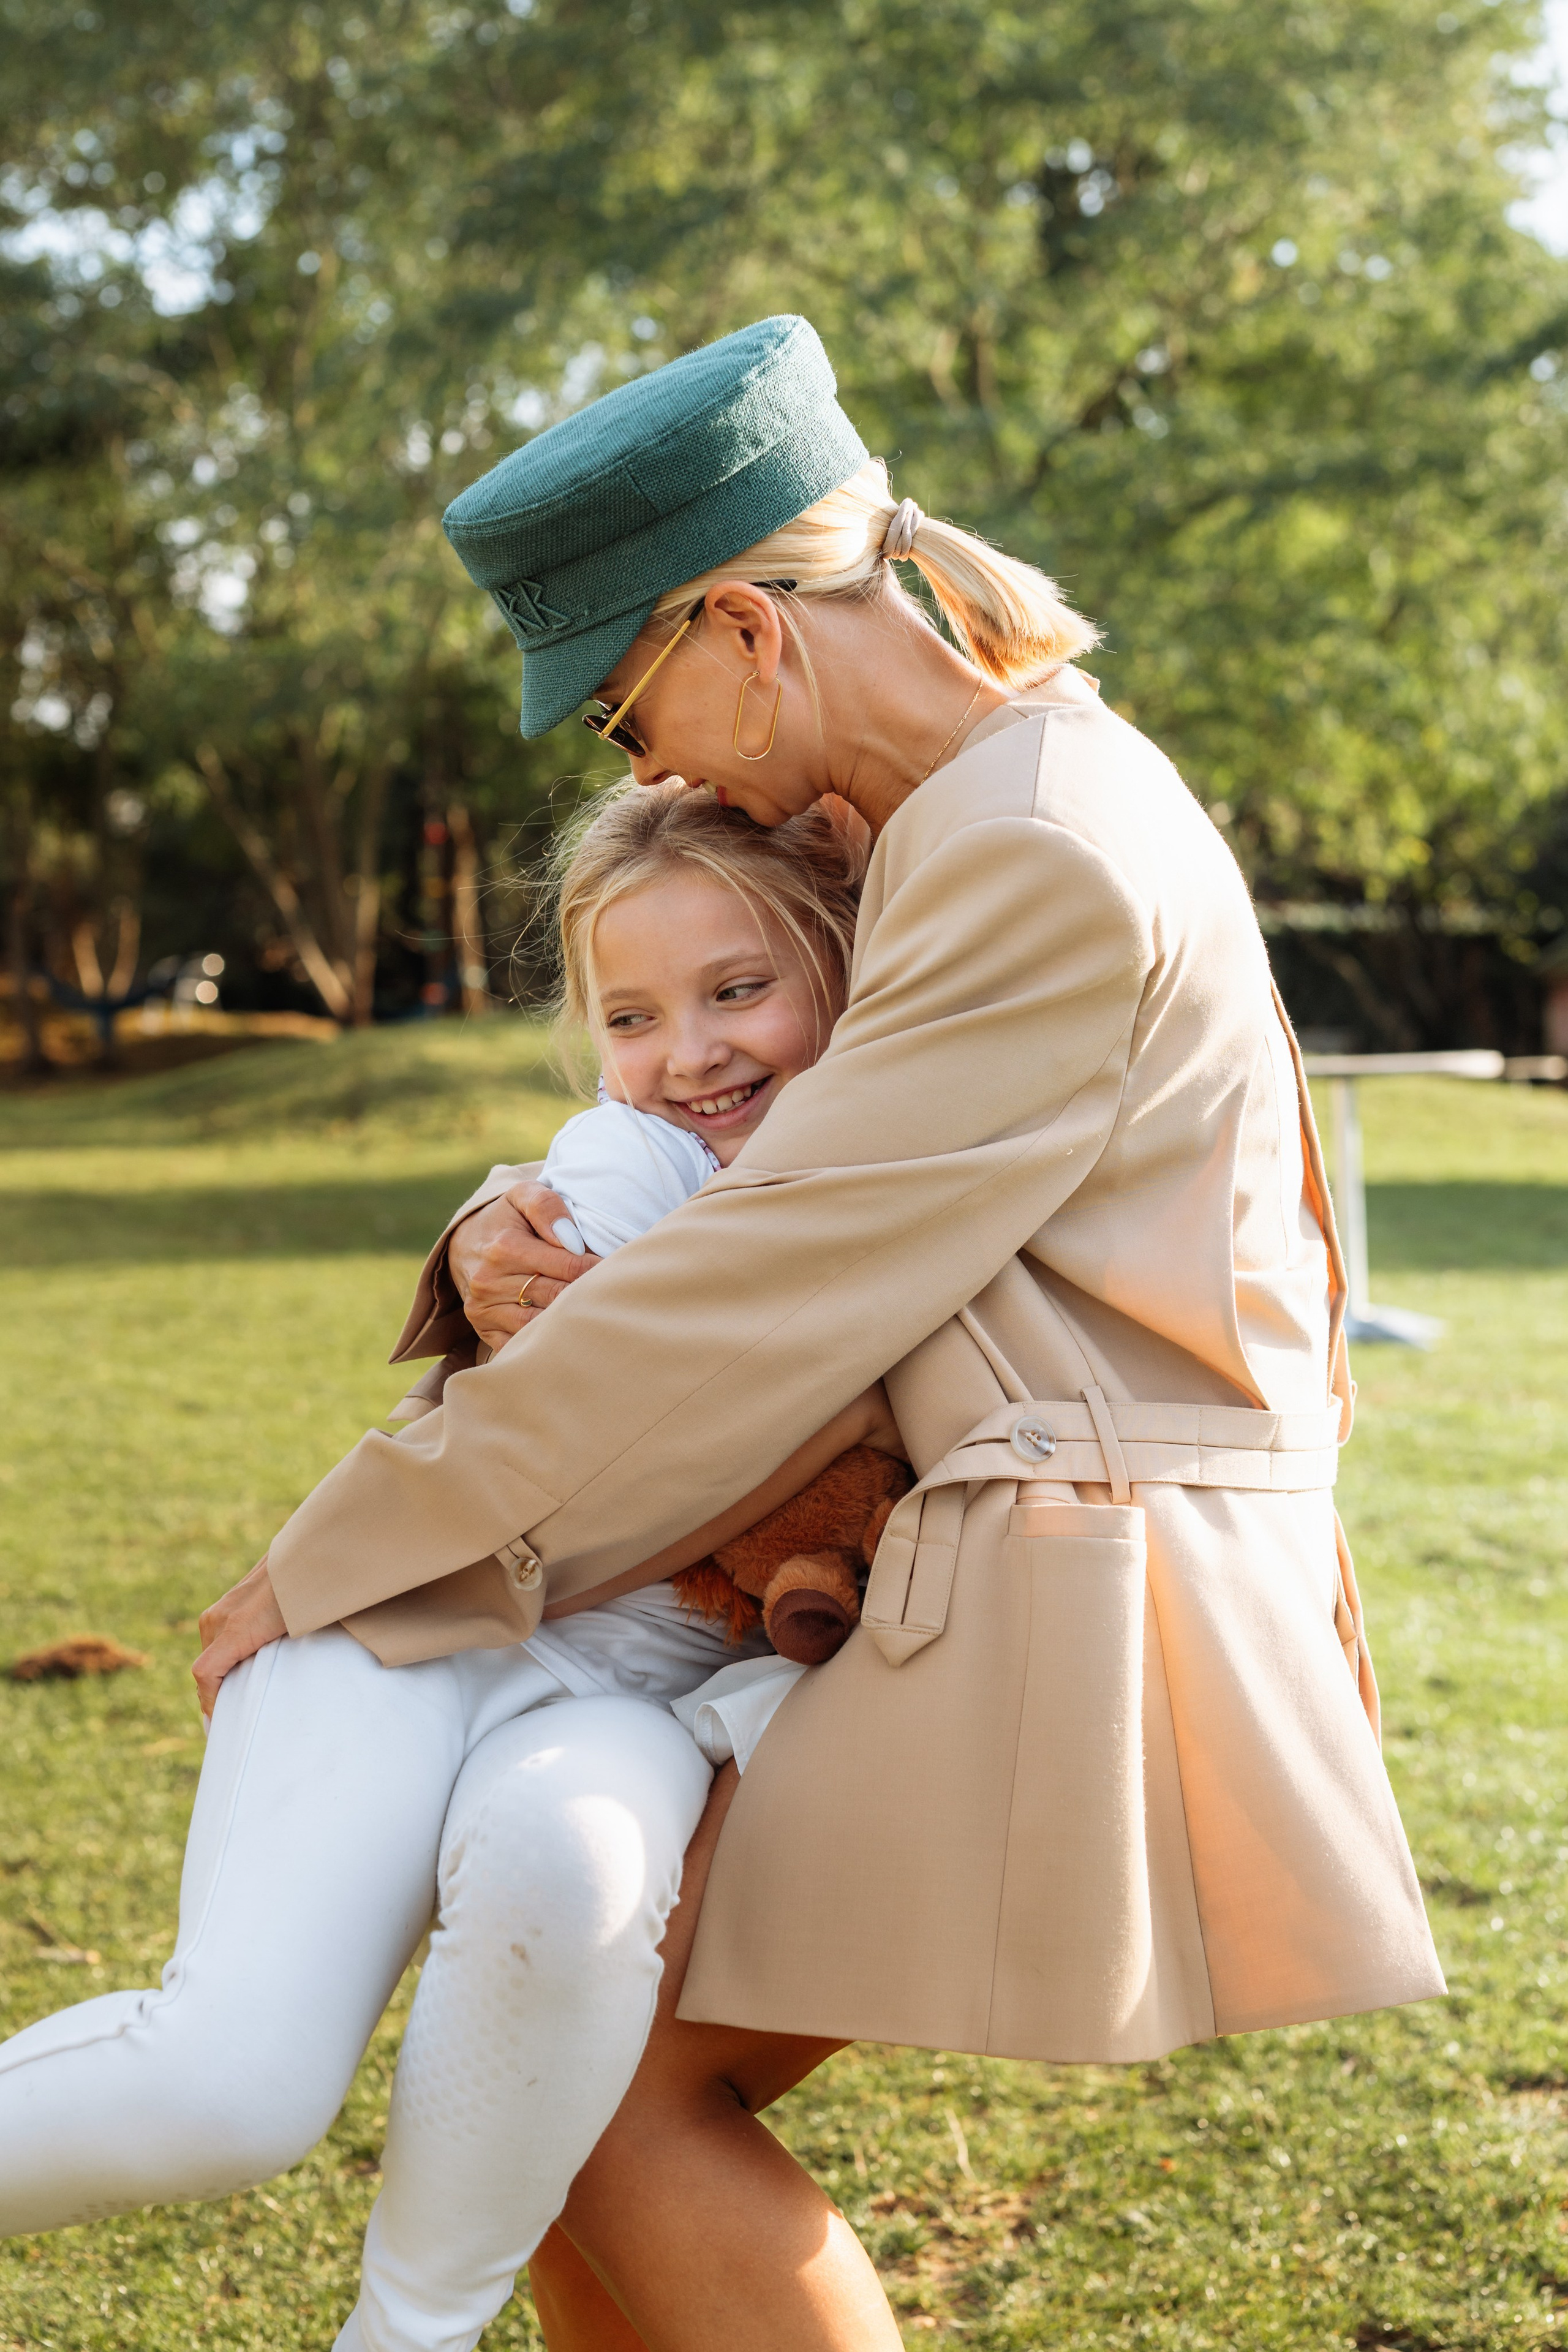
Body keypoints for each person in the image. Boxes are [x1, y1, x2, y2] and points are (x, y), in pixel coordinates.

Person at [189, 312, 1443, 2352]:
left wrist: (360, 1539)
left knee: (603, 2092)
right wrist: (497, 1239)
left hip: (1081, 1578)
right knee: (571, 2076)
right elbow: (699, 1160)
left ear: (748, 629)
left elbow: (755, 1292)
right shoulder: (969, 809)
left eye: (623, 709)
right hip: (1017, 1547)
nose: (651, 767)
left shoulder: (1027, 849)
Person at [0, 786, 905, 2351]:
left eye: (738, 990)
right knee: (234, 2093)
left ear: (839, 969)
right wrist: (486, 1245)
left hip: (640, 1701)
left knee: (578, 1873)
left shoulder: (906, 1188)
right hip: (425, 1637)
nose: (689, 1052)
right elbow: (563, 1407)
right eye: (632, 1013)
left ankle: (403, 2338)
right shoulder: (630, 1162)